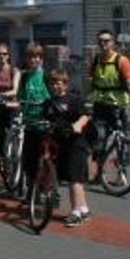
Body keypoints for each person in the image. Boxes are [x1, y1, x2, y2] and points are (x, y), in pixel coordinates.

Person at [39, 69, 94, 227]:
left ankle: (75, 213)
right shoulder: (49, 103)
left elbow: (86, 114)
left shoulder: (74, 100)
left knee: (75, 179)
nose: (56, 86)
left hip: (77, 144)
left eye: (59, 83)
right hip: (61, 145)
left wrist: (78, 124)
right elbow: (44, 118)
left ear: (65, 84)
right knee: (73, 178)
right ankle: (84, 209)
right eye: (53, 83)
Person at [90, 28, 130, 141]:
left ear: (113, 42)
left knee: (124, 139)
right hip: (101, 104)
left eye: (106, 40)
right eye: (100, 41)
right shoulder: (95, 61)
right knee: (99, 137)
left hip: (120, 105)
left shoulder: (121, 60)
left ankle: (124, 157)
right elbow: (92, 82)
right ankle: (100, 156)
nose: (103, 43)